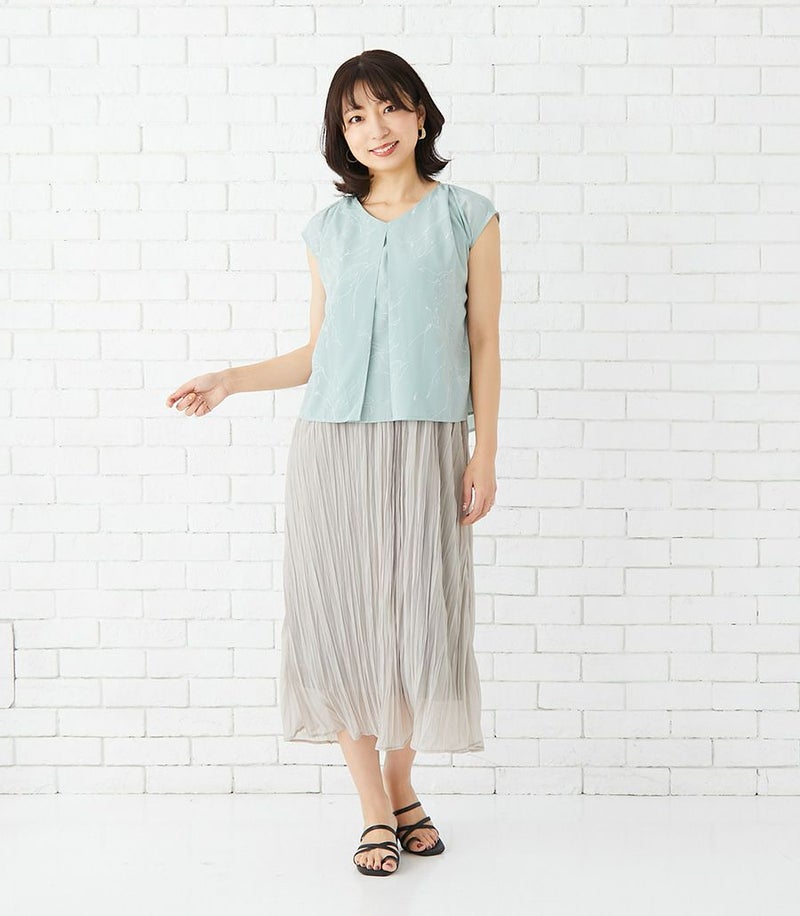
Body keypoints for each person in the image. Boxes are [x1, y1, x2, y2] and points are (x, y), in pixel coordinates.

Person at [165, 49, 501, 878]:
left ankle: (401, 785)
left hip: (427, 443)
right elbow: (322, 352)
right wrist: (230, 379)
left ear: (419, 113)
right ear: (339, 135)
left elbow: (484, 342)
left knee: (420, 620)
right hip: (332, 445)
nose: (374, 128)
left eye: (387, 108)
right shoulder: (328, 230)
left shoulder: (468, 216)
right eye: (354, 117)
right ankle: (374, 810)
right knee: (341, 620)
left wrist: (485, 450)